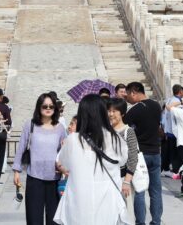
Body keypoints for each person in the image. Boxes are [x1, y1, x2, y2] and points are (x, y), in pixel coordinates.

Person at [54, 94, 129, 225]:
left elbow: (63, 163)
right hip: (107, 201)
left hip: (79, 201)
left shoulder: (73, 140)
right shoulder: (115, 138)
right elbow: (123, 161)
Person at [13, 92, 66, 225]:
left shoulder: (60, 128)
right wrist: (16, 170)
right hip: (34, 178)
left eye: (51, 106)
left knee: (53, 219)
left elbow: (64, 153)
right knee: (34, 218)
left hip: (54, 179)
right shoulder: (30, 125)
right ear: (39, 107)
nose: (48, 109)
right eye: (44, 106)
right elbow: (21, 148)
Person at [124, 81, 163, 225]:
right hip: (155, 152)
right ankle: (156, 221)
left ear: (134, 92)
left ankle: (140, 222)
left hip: (141, 155)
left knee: (140, 190)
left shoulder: (135, 109)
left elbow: (123, 126)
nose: (127, 98)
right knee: (155, 191)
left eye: (128, 94)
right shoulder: (156, 106)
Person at [106, 98, 140, 216]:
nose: (111, 114)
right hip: (108, 179)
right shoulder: (105, 131)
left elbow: (133, 157)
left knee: (125, 214)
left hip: (122, 179)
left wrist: (126, 181)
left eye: (114, 111)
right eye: (109, 111)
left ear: (122, 113)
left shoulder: (128, 131)